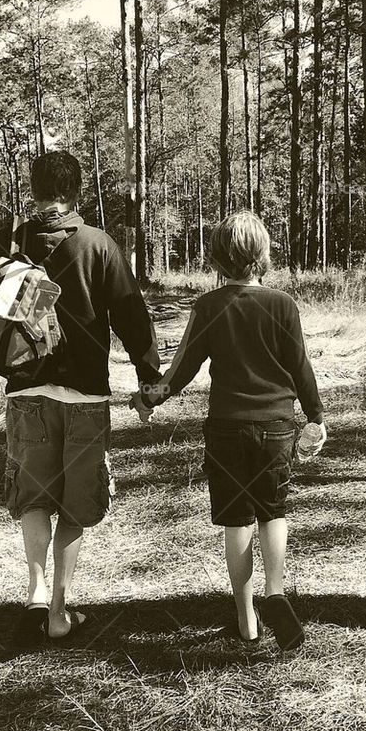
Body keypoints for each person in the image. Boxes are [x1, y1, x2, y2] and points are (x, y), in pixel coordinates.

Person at [0, 151, 160, 642]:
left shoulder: (11, 243)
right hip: (83, 395)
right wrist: (149, 379)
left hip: (26, 390)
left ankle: (36, 592)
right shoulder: (98, 245)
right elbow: (130, 316)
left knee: (34, 495)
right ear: (78, 191)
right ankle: (58, 611)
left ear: (33, 186)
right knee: (76, 503)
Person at [130, 210, 326, 651]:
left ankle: (246, 617)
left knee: (236, 522)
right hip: (277, 427)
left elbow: (183, 368)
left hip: (227, 430)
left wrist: (150, 397)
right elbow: (301, 366)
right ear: (263, 255)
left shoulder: (208, 307)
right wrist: (315, 416)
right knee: (273, 511)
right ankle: (275, 592)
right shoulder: (283, 304)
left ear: (217, 259)